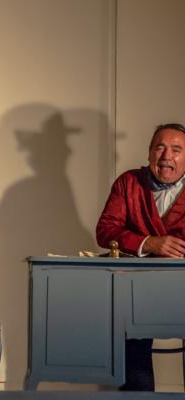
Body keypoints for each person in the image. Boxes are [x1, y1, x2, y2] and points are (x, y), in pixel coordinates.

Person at [96, 122, 185, 391]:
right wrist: (150, 243)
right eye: (160, 148)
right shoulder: (129, 182)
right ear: (149, 153)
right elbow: (105, 231)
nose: (167, 156)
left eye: (176, 150)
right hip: (138, 287)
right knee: (131, 337)